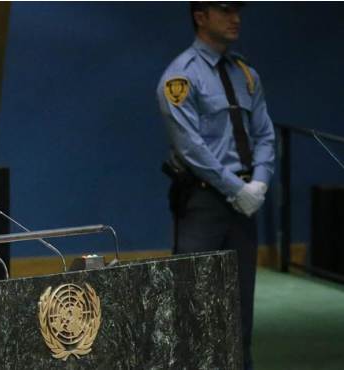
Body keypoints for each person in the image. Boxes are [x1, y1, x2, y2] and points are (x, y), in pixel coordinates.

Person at [156, 3, 275, 369]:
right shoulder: (181, 77)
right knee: (192, 306)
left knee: (241, 310)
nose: (236, 17)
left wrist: (259, 182)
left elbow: (265, 134)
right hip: (203, 205)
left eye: (238, 9)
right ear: (201, 16)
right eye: (225, 10)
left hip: (244, 204)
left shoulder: (245, 74)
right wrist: (233, 188)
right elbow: (189, 146)